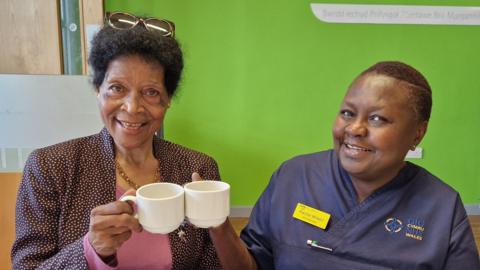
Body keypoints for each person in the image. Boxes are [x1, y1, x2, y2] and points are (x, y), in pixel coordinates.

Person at [210, 61, 480, 269]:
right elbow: (255, 263)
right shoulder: (293, 177)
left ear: (417, 134)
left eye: (377, 119)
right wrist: (219, 227)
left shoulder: (442, 208)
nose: (355, 128)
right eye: (348, 113)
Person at [12, 12, 222, 269]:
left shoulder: (196, 168)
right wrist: (90, 249)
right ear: (98, 89)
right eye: (117, 88)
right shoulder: (51, 167)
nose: (132, 107)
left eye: (151, 92)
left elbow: (212, 264)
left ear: (167, 100)